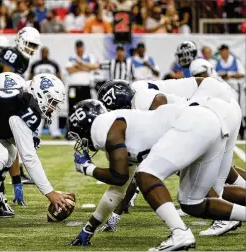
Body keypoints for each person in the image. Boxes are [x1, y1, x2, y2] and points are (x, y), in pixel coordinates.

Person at [68, 95, 245, 250]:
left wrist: (87, 168)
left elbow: (119, 176)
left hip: (196, 121)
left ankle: (180, 234)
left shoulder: (103, 126)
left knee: (145, 175)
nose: (80, 143)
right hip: (210, 123)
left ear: (86, 126)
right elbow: (116, 190)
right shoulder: (119, 135)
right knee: (192, 203)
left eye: (78, 136)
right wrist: (89, 228)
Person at [0, 73, 73, 218]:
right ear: (41, 95)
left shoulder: (25, 96)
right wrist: (50, 193)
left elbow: (4, 126)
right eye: (53, 102)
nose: (53, 108)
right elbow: (29, 157)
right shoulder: (28, 108)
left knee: (9, 153)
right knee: (0, 155)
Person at [29, 47, 62, 139]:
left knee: (53, 111)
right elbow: (30, 78)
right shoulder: (35, 65)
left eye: (46, 52)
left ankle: (55, 132)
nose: (44, 53)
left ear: (48, 53)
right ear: (40, 53)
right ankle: (36, 132)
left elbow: (59, 77)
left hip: (51, 92)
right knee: (38, 112)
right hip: (38, 92)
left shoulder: (54, 64)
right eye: (43, 52)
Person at [215, 44, 246, 139]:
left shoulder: (235, 61)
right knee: (225, 111)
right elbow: (214, 75)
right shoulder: (218, 62)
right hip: (223, 89)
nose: (222, 53)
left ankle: (241, 132)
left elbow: (242, 74)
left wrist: (229, 75)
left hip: (236, 89)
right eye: (220, 52)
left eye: (223, 51)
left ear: (227, 51)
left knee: (238, 110)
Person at [65, 40, 99, 118]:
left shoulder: (89, 57)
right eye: (77, 47)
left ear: (83, 48)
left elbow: (95, 66)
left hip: (85, 87)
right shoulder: (72, 58)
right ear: (75, 48)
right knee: (72, 108)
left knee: (87, 107)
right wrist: (86, 68)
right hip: (73, 88)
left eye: (80, 47)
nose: (79, 49)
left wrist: (80, 64)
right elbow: (69, 69)